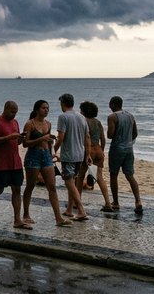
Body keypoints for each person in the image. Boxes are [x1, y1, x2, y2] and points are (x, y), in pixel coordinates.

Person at [21, 100, 71, 227]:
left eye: (47, 108)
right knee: (30, 186)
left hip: (46, 156)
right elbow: (25, 143)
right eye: (43, 108)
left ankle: (58, 218)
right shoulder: (29, 124)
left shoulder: (48, 124)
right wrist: (41, 139)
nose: (46, 110)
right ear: (37, 109)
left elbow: (48, 141)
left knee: (52, 187)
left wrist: (51, 145)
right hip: (33, 156)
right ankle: (26, 214)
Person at [0, 101, 30, 229]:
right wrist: (9, 137)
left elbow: (17, 142)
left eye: (16, 112)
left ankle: (17, 219)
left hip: (15, 162)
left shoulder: (15, 123)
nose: (14, 115)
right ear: (5, 108)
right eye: (12, 112)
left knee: (17, 189)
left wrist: (21, 138)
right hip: (1, 162)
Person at [54, 93, 91, 221]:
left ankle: (81, 210)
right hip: (80, 155)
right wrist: (88, 154)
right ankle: (69, 209)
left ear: (63, 104)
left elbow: (61, 137)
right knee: (72, 182)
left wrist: (53, 150)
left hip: (69, 155)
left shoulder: (63, 117)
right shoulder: (82, 117)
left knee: (69, 182)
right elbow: (87, 138)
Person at [107, 96, 143, 214]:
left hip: (117, 148)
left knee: (113, 175)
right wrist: (128, 140)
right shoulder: (130, 116)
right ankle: (138, 201)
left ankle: (116, 202)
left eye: (110, 104)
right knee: (129, 175)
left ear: (113, 104)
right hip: (129, 148)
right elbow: (135, 133)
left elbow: (110, 135)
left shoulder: (112, 117)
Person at [79, 101, 113, 212]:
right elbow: (103, 139)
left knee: (80, 177)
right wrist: (102, 151)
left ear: (83, 111)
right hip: (98, 150)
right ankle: (108, 203)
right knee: (100, 178)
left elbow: (84, 138)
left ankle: (77, 202)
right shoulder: (98, 122)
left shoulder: (83, 121)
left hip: (88, 150)